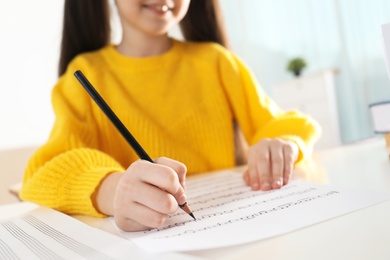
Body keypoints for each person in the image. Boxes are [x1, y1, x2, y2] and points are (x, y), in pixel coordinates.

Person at [20, 0, 320, 232]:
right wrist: (113, 190)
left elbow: (281, 124)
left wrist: (282, 143)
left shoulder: (217, 62)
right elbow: (42, 172)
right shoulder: (85, 74)